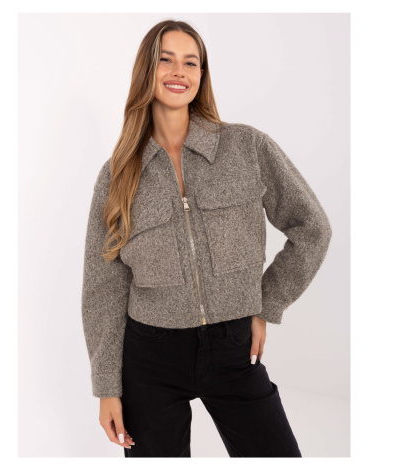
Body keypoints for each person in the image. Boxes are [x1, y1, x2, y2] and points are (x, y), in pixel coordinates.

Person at [81, 19, 332, 458]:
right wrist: (107, 387)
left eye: (190, 62)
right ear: (146, 70)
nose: (179, 71)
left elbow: (312, 227)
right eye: (166, 59)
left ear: (202, 74)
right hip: (149, 358)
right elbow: (103, 285)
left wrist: (267, 302)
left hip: (234, 349)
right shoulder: (118, 173)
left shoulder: (246, 147)